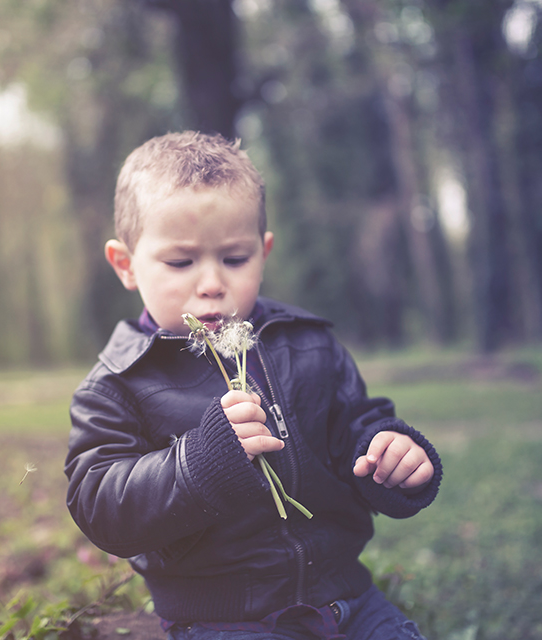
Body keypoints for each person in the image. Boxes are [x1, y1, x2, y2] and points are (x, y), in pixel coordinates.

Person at [65, 131, 442, 640]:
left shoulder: (308, 345)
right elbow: (102, 506)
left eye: (235, 259)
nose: (212, 282)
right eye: (181, 262)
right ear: (126, 265)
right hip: (224, 619)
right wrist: (199, 463)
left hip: (347, 598)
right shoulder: (117, 385)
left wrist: (390, 459)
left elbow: (357, 428)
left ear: (263, 253)